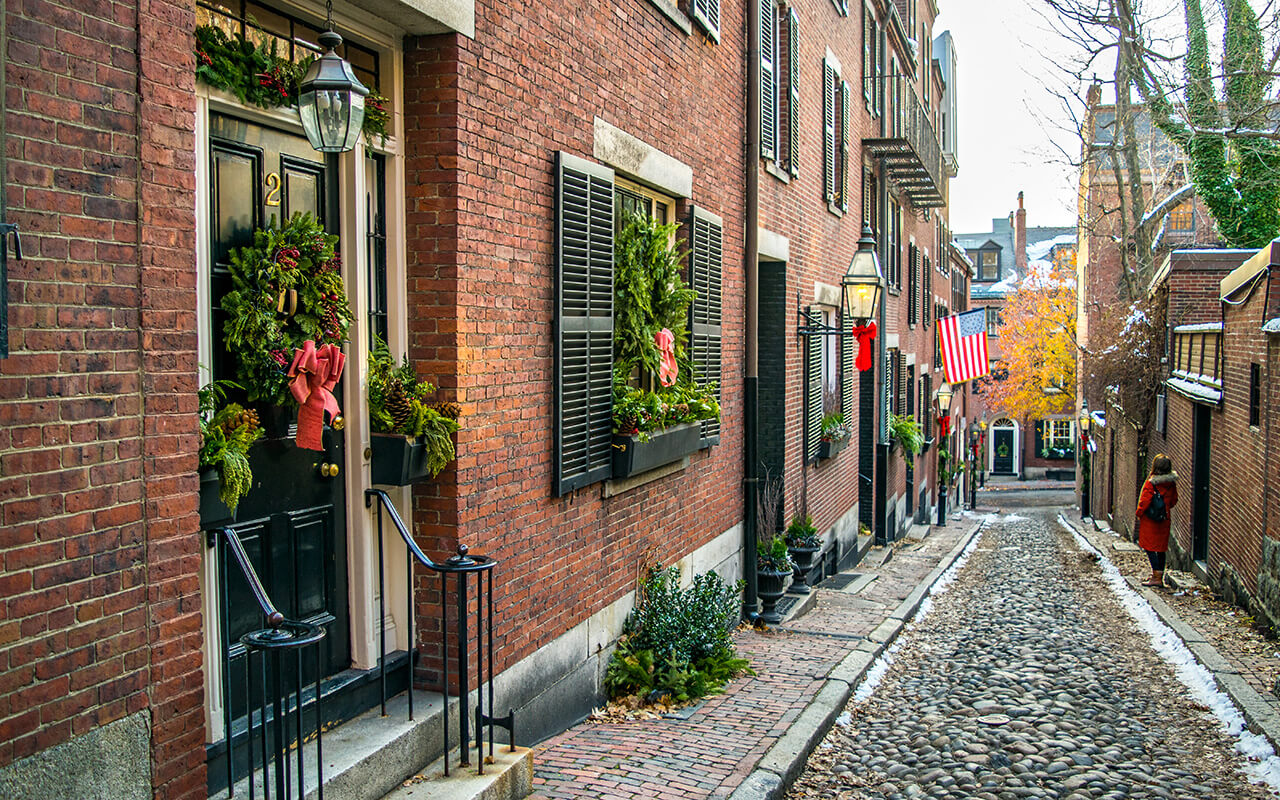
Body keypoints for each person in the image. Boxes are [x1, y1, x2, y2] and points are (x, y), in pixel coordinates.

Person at [1136, 454, 1178, 587]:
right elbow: (1173, 500)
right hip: (1164, 519)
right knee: (1161, 548)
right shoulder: (1171, 484)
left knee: (1149, 547)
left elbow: (1144, 502)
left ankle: (1156, 576)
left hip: (1150, 520)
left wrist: (1139, 513)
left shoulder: (1151, 483)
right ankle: (1159, 575)